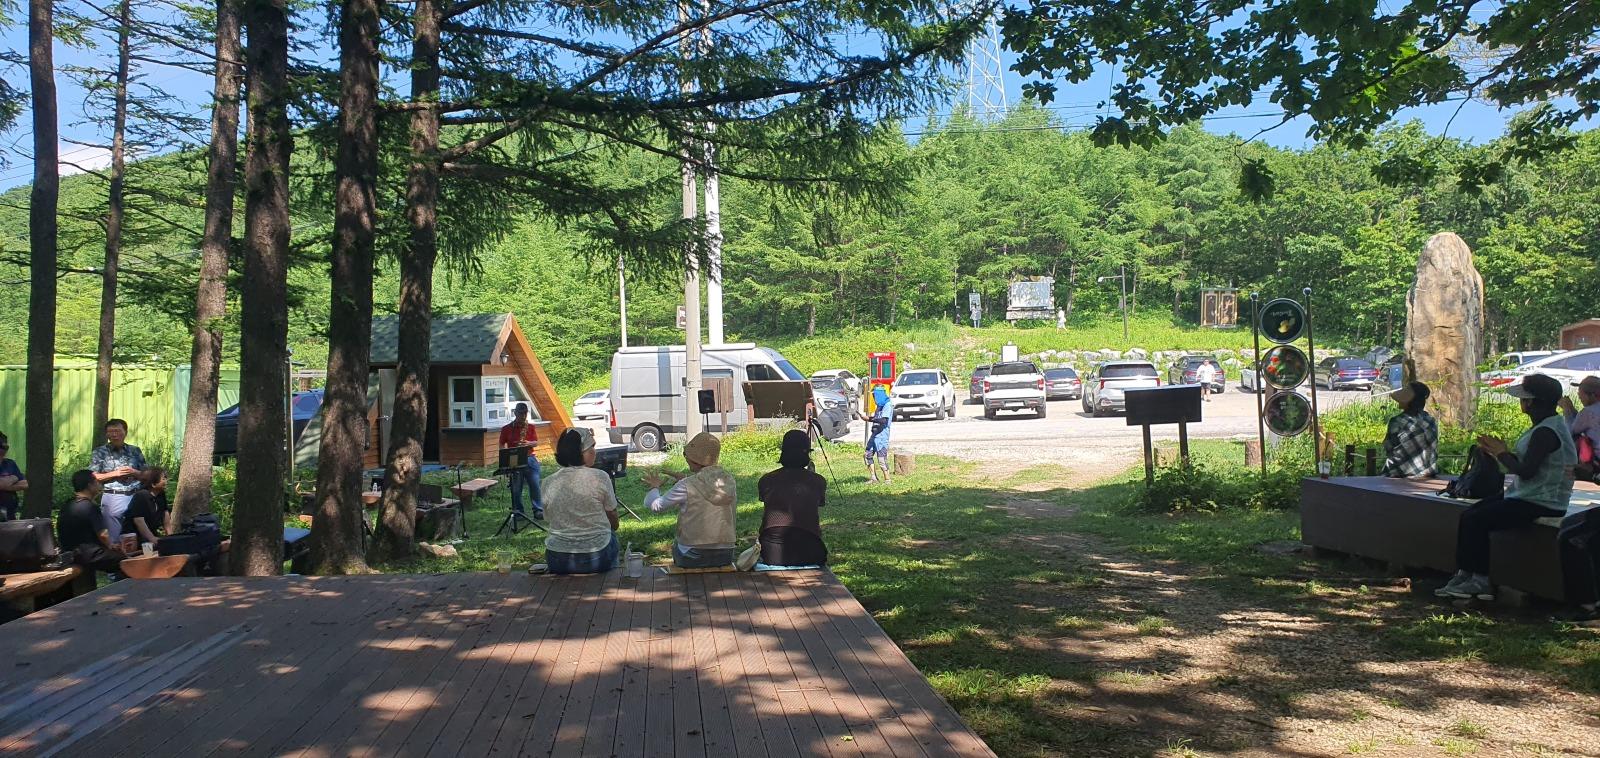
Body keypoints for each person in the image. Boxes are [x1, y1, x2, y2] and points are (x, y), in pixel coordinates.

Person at [1438, 374, 1578, 601]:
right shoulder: (1546, 426)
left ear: (1532, 402)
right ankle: (1466, 573)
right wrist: (1500, 451)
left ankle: (1479, 580)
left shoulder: (1546, 432)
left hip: (1541, 501)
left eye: (1524, 399)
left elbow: (1526, 471)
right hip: (1528, 496)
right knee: (1470, 514)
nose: (1521, 403)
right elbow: (1529, 465)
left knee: (1476, 520)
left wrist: (1501, 452)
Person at [642, 432, 738, 568]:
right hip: (726, 553)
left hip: (692, 553)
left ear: (692, 458)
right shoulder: (729, 481)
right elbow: (707, 486)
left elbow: (656, 506)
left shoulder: (686, 485)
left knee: (677, 547)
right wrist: (685, 479)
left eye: (685, 454)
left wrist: (654, 487)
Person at [541, 428, 621, 574]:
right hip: (597, 555)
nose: (594, 451)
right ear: (582, 452)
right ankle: (611, 580)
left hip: (557, 557)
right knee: (611, 535)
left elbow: (548, 518)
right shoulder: (600, 477)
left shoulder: (548, 482)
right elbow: (613, 518)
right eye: (592, 447)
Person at [756, 429, 829, 567]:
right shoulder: (818, 481)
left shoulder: (766, 480)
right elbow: (818, 503)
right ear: (807, 453)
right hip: (809, 550)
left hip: (771, 551)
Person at [57, 469, 126, 574]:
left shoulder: (67, 505)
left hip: (69, 554)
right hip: (89, 555)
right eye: (97, 482)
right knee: (125, 560)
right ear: (90, 485)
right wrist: (111, 545)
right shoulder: (89, 507)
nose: (99, 485)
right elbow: (103, 535)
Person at [90, 418, 147, 538]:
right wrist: (115, 474)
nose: (114, 435)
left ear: (125, 432)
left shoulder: (135, 450)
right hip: (112, 497)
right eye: (111, 432)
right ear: (106, 434)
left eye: (118, 431)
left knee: (137, 534)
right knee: (114, 536)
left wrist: (134, 472)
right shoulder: (100, 452)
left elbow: (146, 475)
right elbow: (93, 476)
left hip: (135, 495)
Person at [1381, 381, 1438, 478]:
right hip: (1428, 472)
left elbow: (1388, 446)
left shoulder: (1396, 422)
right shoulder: (1430, 420)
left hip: (1399, 472)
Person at [498, 402, 543, 520]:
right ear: (515, 413)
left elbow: (536, 443)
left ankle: (538, 510)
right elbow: (501, 443)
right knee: (516, 488)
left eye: (525, 413)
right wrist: (505, 457)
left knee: (535, 485)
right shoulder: (506, 429)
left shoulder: (531, 427)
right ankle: (518, 512)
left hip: (529, 458)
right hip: (514, 460)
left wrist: (528, 443)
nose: (523, 416)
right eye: (520, 413)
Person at [1559, 376, 1600, 481]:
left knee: (1574, 439)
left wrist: (1567, 409)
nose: (1579, 396)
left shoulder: (1589, 412)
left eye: (1581, 393)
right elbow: (1580, 423)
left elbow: (1570, 432)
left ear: (1592, 395)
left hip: (1596, 459)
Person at [122, 467, 170, 546]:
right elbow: (139, 521)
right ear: (153, 484)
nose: (166, 481)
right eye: (163, 479)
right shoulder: (141, 496)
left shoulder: (161, 495)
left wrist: (170, 537)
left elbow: (166, 516)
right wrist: (152, 538)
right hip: (133, 537)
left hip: (150, 533)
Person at [857, 386, 894, 484]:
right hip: (874, 434)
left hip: (882, 436)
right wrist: (868, 417)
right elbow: (877, 417)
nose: (874, 398)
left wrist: (869, 419)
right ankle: (874, 478)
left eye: (874, 396)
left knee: (881, 459)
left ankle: (887, 480)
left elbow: (884, 420)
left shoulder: (887, 405)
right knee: (867, 455)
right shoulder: (879, 405)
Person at [0, 431, 26, 521]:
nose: (5, 448)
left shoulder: (10, 463)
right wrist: (14, 478)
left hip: (10, 514)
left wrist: (6, 482)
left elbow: (24, 484)